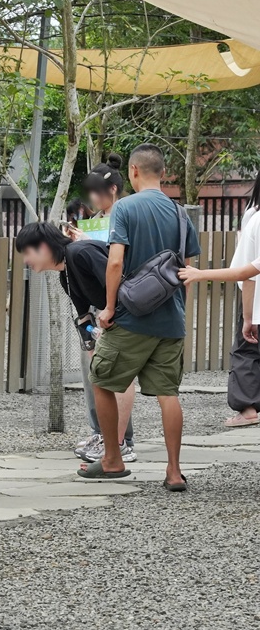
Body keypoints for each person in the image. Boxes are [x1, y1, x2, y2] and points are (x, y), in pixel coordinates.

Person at [83, 143, 200, 492]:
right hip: (170, 321)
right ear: (163, 174)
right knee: (168, 394)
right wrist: (176, 308)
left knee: (102, 380)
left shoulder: (125, 209)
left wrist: (107, 309)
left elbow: (115, 262)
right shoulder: (181, 215)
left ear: (133, 171)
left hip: (132, 319)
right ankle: (174, 471)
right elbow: (187, 271)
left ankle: (112, 460)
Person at [15, 221, 135, 461]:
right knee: (101, 375)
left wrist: (110, 311)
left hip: (132, 315)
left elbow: (122, 283)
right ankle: (108, 440)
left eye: (28, 253)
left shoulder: (81, 252)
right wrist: (91, 346)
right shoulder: (65, 274)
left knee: (118, 377)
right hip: (115, 321)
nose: (27, 261)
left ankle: (120, 445)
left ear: (44, 247)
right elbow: (83, 317)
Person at [65, 155, 137, 462]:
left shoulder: (124, 215)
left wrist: (84, 241)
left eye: (98, 191)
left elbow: (116, 260)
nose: (93, 197)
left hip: (116, 303)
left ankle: (120, 440)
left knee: (116, 374)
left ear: (114, 189)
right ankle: (103, 434)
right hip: (97, 303)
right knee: (97, 373)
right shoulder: (100, 218)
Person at [180, 190, 260, 426]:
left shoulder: (254, 218)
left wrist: (199, 273)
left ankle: (247, 410)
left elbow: (247, 273)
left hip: (257, 306)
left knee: (245, 353)